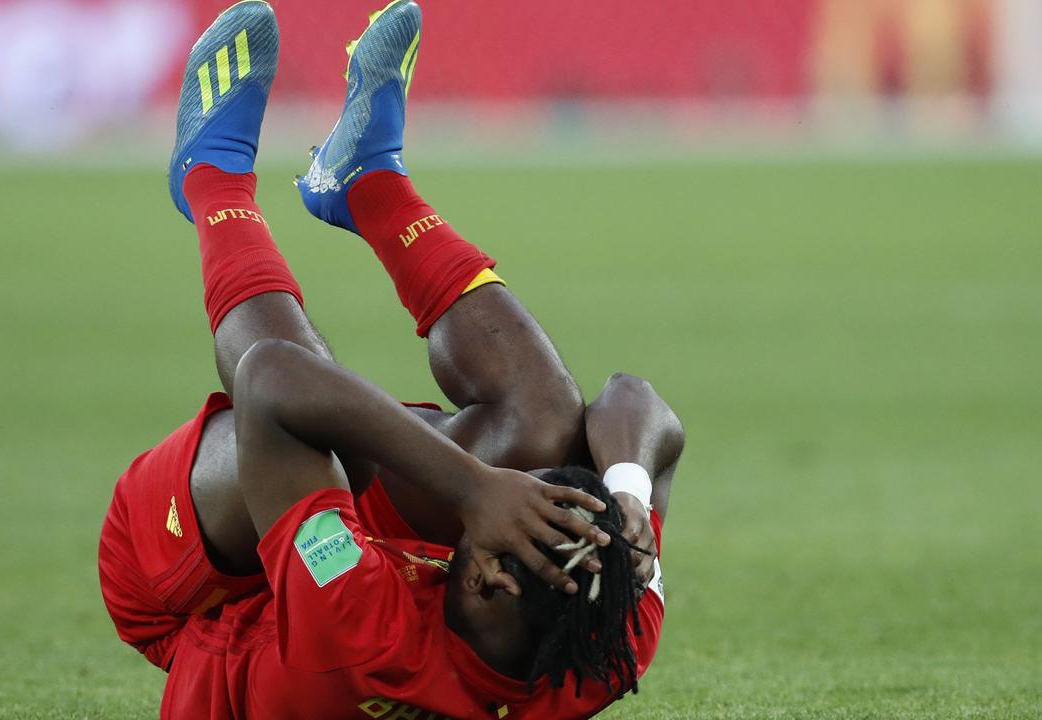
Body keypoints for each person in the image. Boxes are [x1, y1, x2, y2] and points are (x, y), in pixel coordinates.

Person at [97, 2, 684, 717]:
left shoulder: (361, 631)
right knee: (548, 420)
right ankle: (368, 182)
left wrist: (475, 489)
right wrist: (629, 496)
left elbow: (273, 382)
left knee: (329, 443)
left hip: (182, 587)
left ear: (492, 579)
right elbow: (638, 404)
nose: (514, 490)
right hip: (382, 572)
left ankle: (211, 179)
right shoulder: (601, 641)